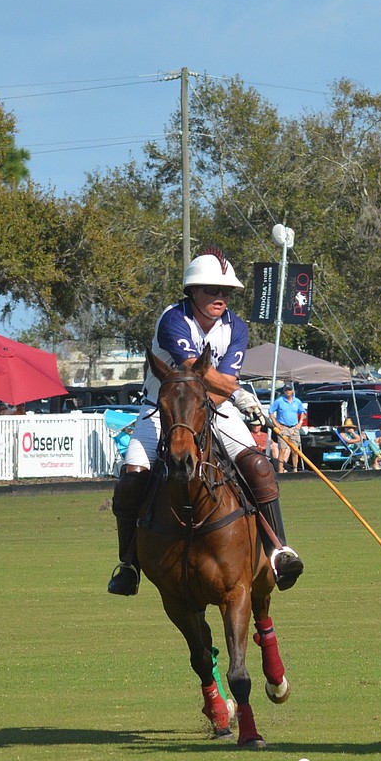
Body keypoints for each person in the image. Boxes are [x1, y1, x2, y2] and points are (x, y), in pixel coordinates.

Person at [107, 247, 304, 597]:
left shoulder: (236, 327)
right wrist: (238, 392)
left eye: (225, 292)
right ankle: (128, 564)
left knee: (259, 466)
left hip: (213, 406)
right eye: (212, 290)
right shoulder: (173, 320)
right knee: (132, 478)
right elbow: (199, 371)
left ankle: (278, 551)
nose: (220, 298)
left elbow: (220, 382)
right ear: (192, 291)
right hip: (162, 409)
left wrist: (213, 406)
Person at [269, 385, 306, 472]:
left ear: (292, 391)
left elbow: (303, 412)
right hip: (283, 428)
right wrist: (276, 423)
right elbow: (271, 412)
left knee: (295, 450)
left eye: (289, 390)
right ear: (284, 391)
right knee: (282, 449)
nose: (288, 392)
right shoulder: (279, 401)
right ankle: (280, 470)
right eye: (286, 390)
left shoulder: (297, 401)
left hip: (294, 428)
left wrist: (300, 423)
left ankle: (295, 470)